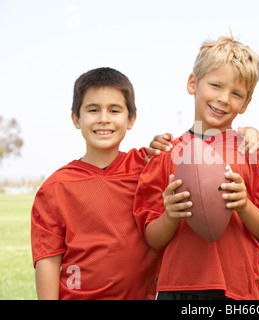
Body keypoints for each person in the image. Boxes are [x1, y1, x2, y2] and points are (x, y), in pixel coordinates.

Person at [133, 36, 259, 300]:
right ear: (193, 83)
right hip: (177, 290)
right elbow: (152, 238)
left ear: (246, 103)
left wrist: (244, 205)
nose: (224, 99)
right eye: (216, 85)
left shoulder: (255, 153)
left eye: (236, 93)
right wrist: (171, 215)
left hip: (239, 290)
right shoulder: (166, 153)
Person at [30, 67, 163, 299]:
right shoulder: (55, 187)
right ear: (76, 118)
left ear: (131, 119)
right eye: (93, 110)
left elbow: (193, 150)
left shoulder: (148, 167)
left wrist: (248, 134)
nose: (104, 118)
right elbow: (48, 261)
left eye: (114, 110)